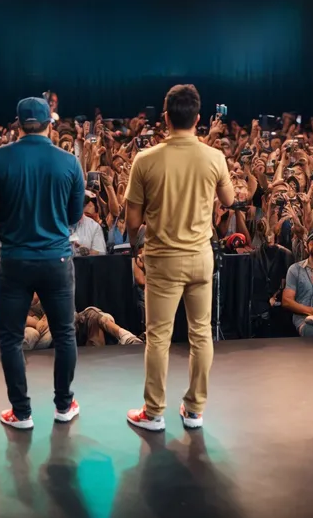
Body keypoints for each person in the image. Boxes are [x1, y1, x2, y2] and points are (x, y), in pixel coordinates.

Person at [124, 84, 234, 432]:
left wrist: (135, 246)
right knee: (201, 334)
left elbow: (132, 221)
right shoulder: (213, 157)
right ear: (198, 118)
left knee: (158, 337)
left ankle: (154, 412)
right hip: (201, 257)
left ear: (166, 117)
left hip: (163, 260)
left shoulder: (146, 160)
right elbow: (230, 200)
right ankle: (195, 410)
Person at [0, 96, 85, 429]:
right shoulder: (69, 162)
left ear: (18, 124)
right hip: (56, 258)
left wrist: (13, 229)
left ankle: (21, 412)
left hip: (14, 259)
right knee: (65, 335)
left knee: (10, 338)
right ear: (49, 125)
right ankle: (64, 406)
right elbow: (75, 215)